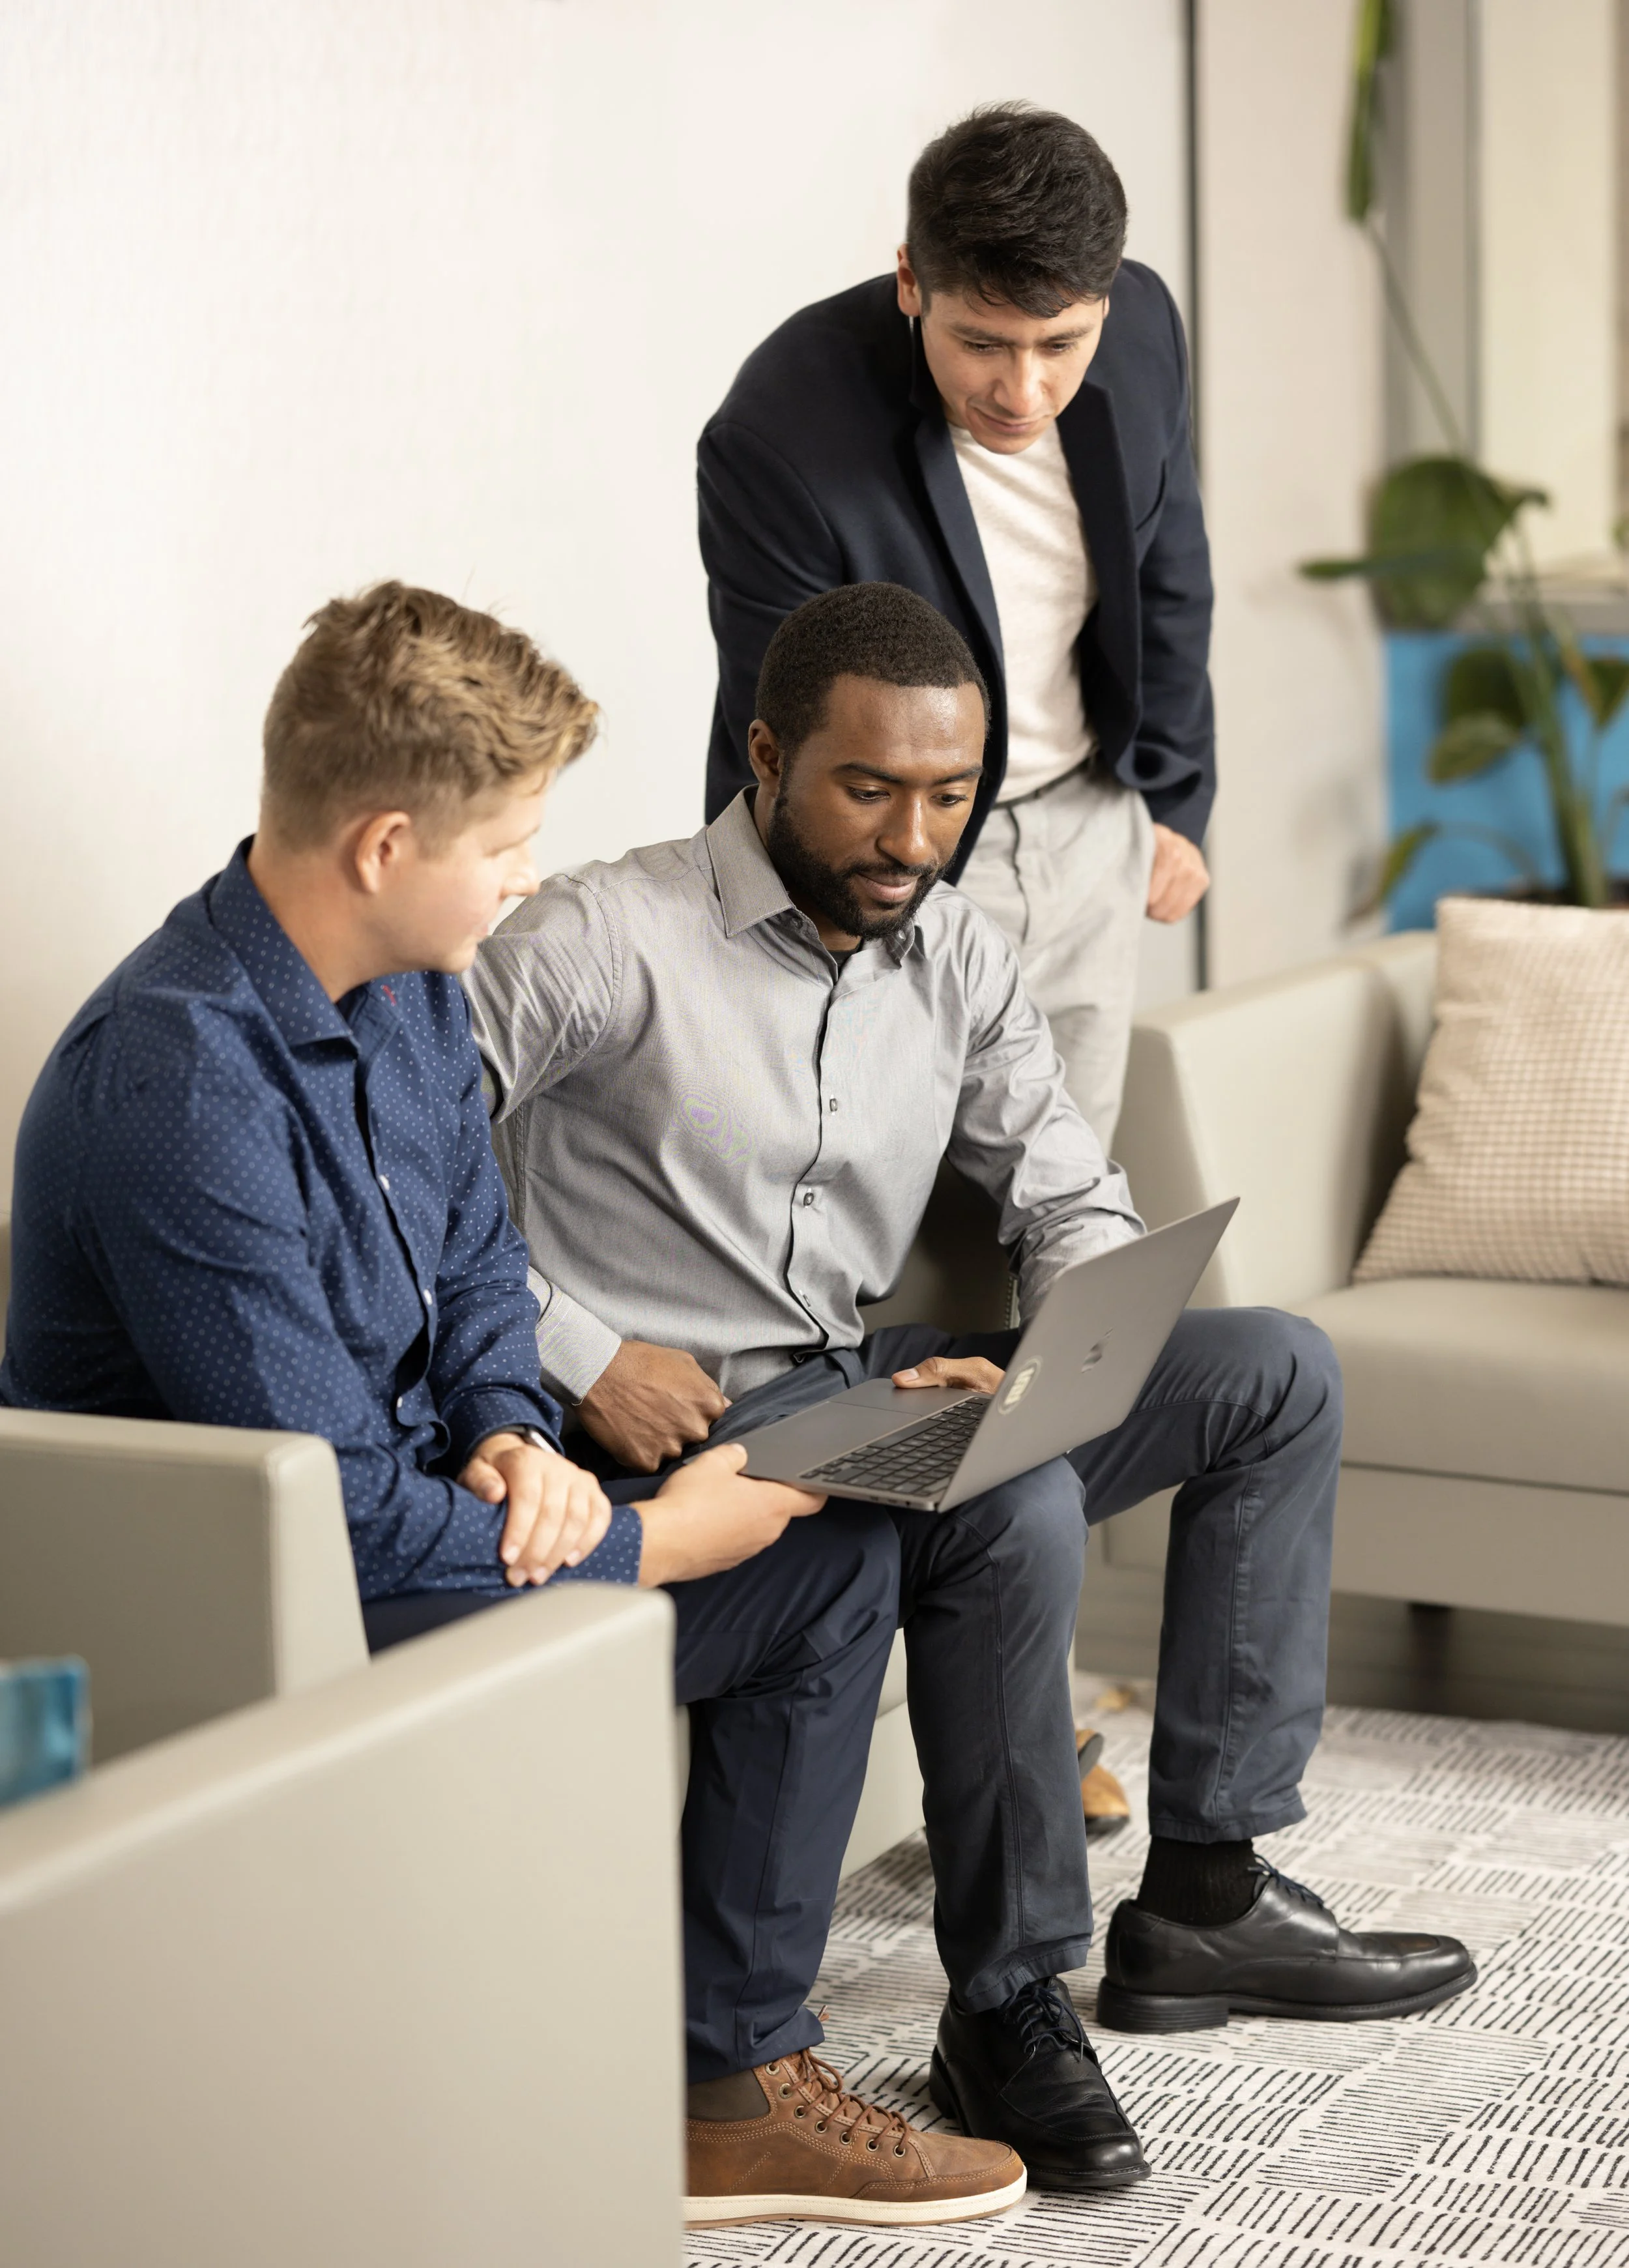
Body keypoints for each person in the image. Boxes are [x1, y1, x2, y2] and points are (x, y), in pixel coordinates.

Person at [0, 583, 1028, 2233]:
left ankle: (727, 2085)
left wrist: (499, 1430)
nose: (531, 877)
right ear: (385, 845)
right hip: (253, 1610)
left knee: (829, 1555)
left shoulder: (407, 984)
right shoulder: (178, 1080)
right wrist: (637, 1539)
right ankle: (686, 2081)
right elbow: (315, 1501)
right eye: (508, 845)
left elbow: (481, 1260)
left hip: (417, 1516)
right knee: (739, 1546)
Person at [465, 583, 1478, 2193]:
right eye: (867, 789)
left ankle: (1204, 1894)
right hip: (697, 1428)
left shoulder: (956, 954)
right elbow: (389, 1157)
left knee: (1271, 1370)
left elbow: (1066, 1187)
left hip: (863, 1385)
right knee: (1003, 1503)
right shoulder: (597, 935)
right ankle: (1004, 2003)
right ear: (764, 755)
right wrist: (572, 1350)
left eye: (948, 798)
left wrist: (1060, 1339)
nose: (907, 838)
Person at [700, 102, 1212, 1155]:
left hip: (1089, 827)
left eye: (1061, 344)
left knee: (1064, 1191)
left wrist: (1174, 794)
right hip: (894, 849)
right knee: (843, 1196)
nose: (1024, 391)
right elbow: (784, 720)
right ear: (909, 282)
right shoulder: (781, 432)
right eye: (982, 343)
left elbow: (1170, 569)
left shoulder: (1148, 325)